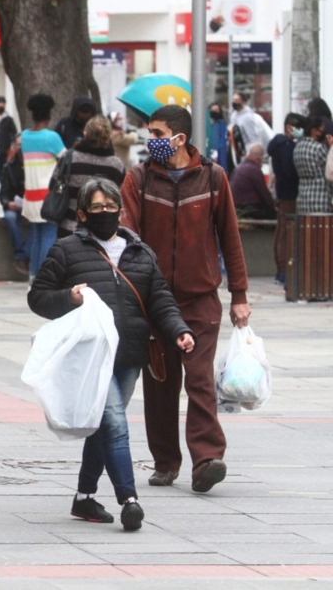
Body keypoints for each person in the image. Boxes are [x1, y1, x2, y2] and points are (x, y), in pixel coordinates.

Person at [29, 178, 195, 532]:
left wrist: (179, 330)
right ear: (82, 214)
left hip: (130, 354)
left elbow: (160, 299)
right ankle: (129, 500)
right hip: (90, 358)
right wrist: (69, 298)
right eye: (96, 207)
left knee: (102, 426)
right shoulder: (66, 250)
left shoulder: (140, 252)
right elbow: (38, 297)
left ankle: (84, 497)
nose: (104, 212)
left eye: (110, 206)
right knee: (116, 422)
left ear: (121, 210)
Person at [120, 104, 250, 494]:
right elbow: (126, 237)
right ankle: (165, 462)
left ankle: (207, 459)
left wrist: (239, 295)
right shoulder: (139, 179)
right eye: (150, 133)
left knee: (199, 379)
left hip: (200, 299)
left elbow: (230, 237)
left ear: (179, 138)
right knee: (160, 384)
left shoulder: (213, 177)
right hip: (155, 301)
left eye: (158, 134)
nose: (151, 140)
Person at [55, 115, 125, 238]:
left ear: (85, 134)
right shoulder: (117, 165)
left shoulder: (69, 158)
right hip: (104, 231)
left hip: (69, 229)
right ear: (109, 136)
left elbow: (54, 185)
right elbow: (121, 198)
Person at [20, 93, 66, 281]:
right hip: (48, 196)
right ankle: (43, 279)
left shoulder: (24, 136)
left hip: (30, 196)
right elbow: (65, 160)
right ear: (48, 114)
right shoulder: (52, 138)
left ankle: (33, 277)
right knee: (48, 236)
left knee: (37, 236)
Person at [268, 113, 305, 285]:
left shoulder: (277, 145)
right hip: (290, 193)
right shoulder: (287, 146)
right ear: (289, 128)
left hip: (282, 192)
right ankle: (283, 271)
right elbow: (290, 170)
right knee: (285, 233)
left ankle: (281, 270)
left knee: (281, 232)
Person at [0, 138, 29, 275]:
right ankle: (22, 255)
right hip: (14, 205)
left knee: (39, 224)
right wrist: (7, 203)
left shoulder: (33, 166)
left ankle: (22, 255)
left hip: (31, 206)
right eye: (19, 145)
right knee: (9, 217)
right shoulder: (8, 167)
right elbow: (3, 193)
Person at [293, 117, 333, 215]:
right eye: (322, 130)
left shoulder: (297, 147)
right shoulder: (319, 148)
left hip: (302, 200)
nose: (324, 134)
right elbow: (330, 170)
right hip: (321, 200)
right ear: (314, 130)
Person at [230, 142, 276, 219]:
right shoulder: (254, 170)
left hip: (235, 208)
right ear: (259, 159)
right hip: (249, 209)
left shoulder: (238, 168)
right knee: (272, 215)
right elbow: (264, 195)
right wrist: (273, 209)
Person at [229, 92, 273, 164]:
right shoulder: (234, 115)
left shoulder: (248, 117)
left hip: (246, 150)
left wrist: (251, 153)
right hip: (237, 149)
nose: (234, 103)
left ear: (243, 102)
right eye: (233, 100)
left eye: (237, 100)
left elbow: (253, 138)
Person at [0, 96, 18, 170]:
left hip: (5, 149)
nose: (0, 106)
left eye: (2, 104)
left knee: (3, 168)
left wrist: (12, 145)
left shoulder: (9, 119)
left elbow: (14, 132)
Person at [205, 103, 231, 173]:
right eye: (212, 110)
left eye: (216, 110)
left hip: (220, 155)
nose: (214, 112)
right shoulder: (206, 124)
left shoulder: (222, 124)